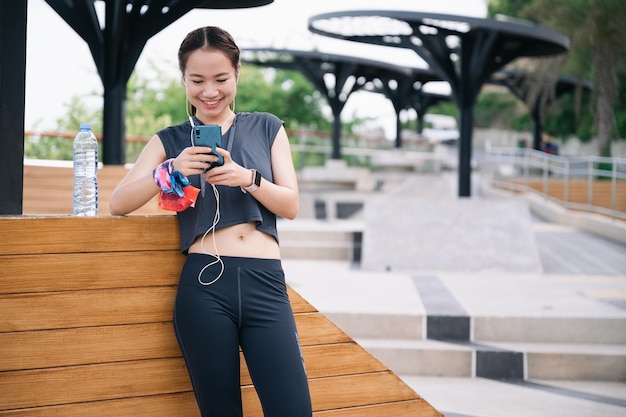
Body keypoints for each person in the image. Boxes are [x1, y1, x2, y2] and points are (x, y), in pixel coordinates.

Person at [110, 26, 312, 417]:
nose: (209, 91)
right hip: (204, 287)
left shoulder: (268, 127)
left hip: (265, 285)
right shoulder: (169, 139)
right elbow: (119, 203)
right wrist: (168, 169)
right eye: (197, 80)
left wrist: (248, 179)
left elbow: (290, 205)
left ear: (237, 73)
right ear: (183, 79)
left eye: (220, 79)